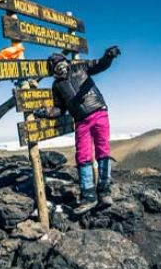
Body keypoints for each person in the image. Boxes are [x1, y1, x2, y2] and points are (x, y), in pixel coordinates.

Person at [34, 45, 121, 212]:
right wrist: (45, 113)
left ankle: (104, 192)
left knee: (103, 152)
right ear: (52, 69)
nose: (59, 66)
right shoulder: (57, 85)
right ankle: (88, 197)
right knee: (83, 156)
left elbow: (99, 65)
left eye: (61, 62)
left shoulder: (80, 67)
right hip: (80, 121)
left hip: (98, 113)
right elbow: (60, 108)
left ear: (66, 62)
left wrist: (108, 56)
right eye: (55, 65)